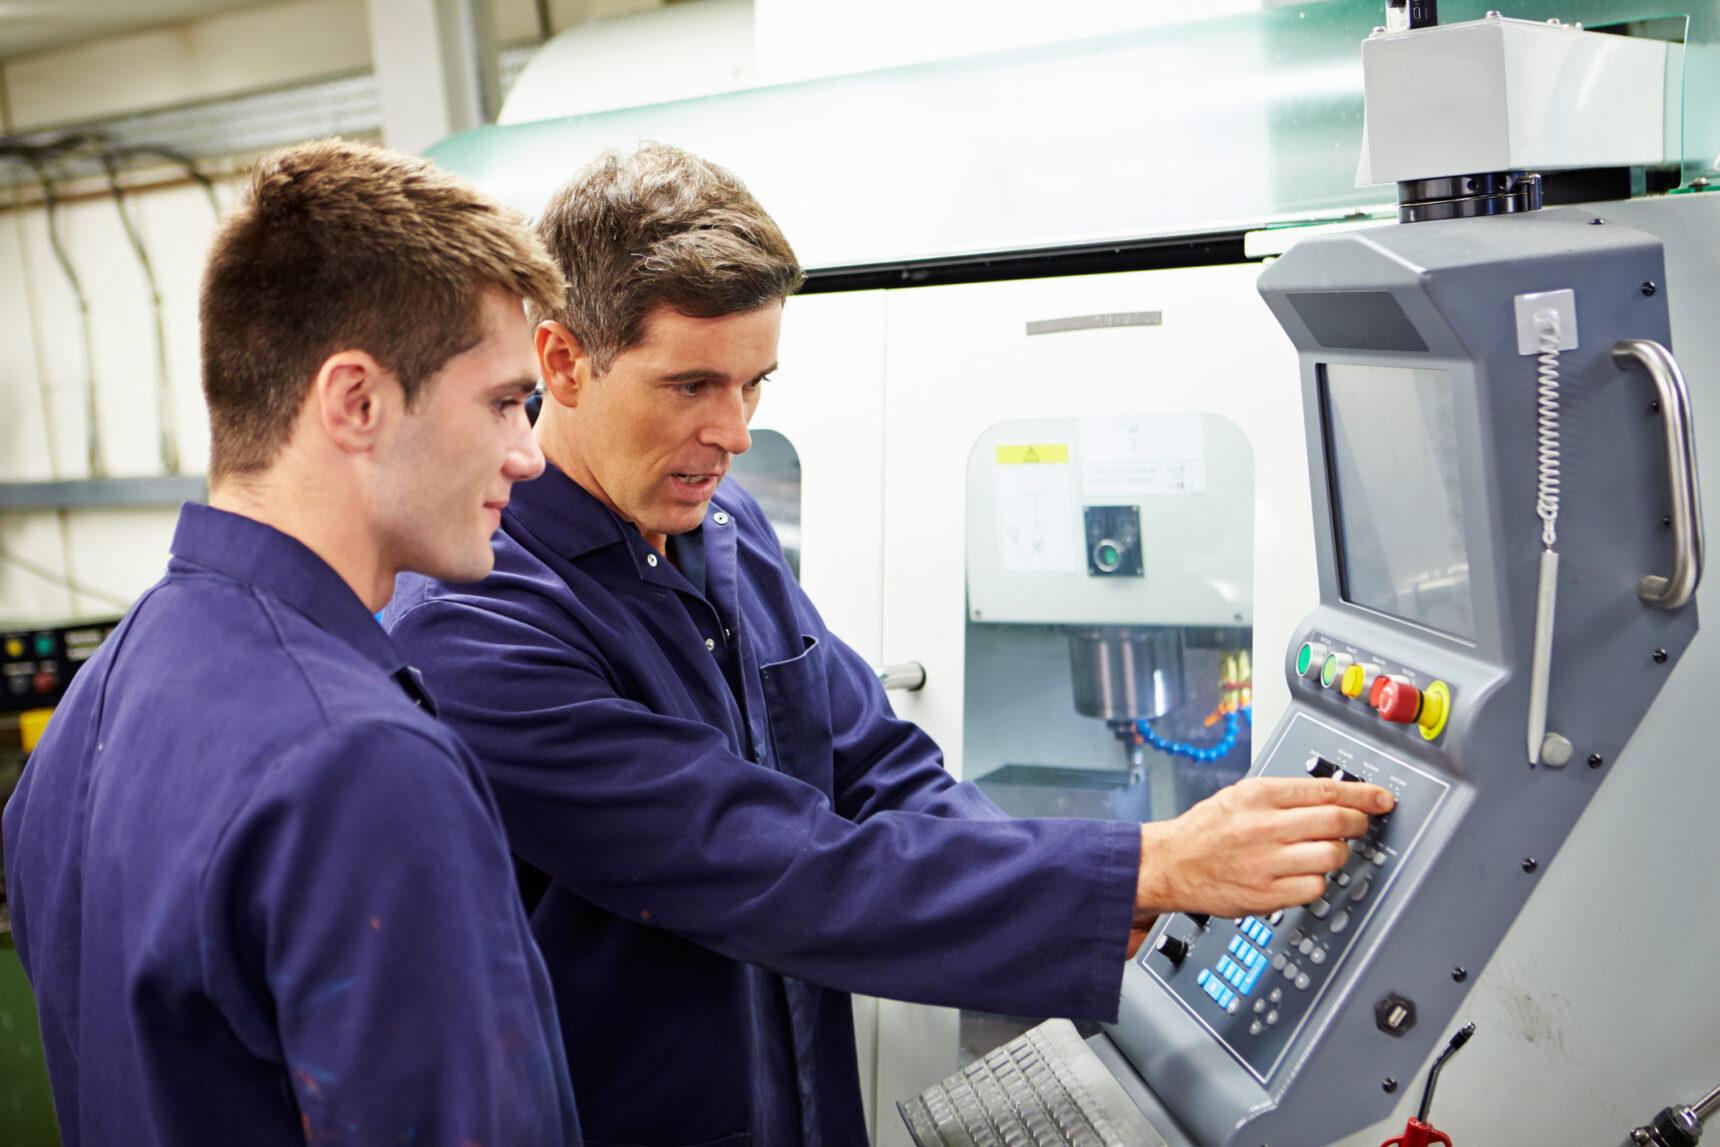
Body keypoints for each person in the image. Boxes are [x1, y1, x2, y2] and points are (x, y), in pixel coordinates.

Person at [383, 144, 1393, 1146]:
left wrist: (1079, 900)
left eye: (753, 384)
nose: (734, 432)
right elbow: (772, 864)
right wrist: (1142, 867)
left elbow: (877, 763)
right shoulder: (479, 619)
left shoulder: (722, 526)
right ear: (563, 361)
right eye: (691, 385)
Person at [2, 139, 581, 1147]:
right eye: (502, 403)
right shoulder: (360, 763)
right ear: (355, 402)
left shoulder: (102, 694)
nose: (527, 453)